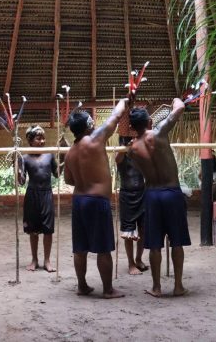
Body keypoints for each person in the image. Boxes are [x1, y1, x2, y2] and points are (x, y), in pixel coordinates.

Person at [64, 99, 129, 299]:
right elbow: (115, 116)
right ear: (89, 125)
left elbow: (69, 179)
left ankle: (82, 285)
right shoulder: (96, 139)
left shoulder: (70, 153)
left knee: (80, 247)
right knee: (103, 248)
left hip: (79, 201)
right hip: (96, 202)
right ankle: (108, 289)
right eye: (91, 120)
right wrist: (125, 100)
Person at [128, 98, 191, 297]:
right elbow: (179, 106)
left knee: (154, 243)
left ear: (132, 128)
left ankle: (156, 287)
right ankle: (178, 286)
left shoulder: (132, 149)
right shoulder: (160, 131)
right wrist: (176, 99)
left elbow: (140, 169)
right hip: (171, 192)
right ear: (149, 123)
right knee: (177, 241)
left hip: (152, 194)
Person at [18, 125, 66, 273]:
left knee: (48, 230)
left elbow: (57, 174)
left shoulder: (50, 156)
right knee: (33, 230)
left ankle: (47, 261)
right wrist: (18, 167)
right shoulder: (24, 158)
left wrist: (63, 157)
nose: (42, 141)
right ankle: (34, 260)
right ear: (31, 141)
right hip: (32, 195)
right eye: (38, 138)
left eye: (43, 138)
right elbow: (21, 181)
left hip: (46, 194)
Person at [116, 135, 147, 275]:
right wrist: (125, 147)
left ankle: (138, 259)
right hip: (127, 196)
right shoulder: (121, 156)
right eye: (129, 140)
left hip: (142, 194)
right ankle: (130, 264)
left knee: (143, 229)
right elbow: (117, 158)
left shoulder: (140, 156)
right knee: (128, 231)